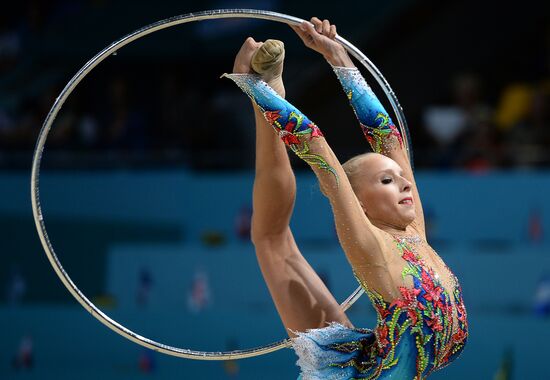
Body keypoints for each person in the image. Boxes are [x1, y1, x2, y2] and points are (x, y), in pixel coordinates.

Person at [222, 17, 468, 379]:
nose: (405, 184)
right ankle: (269, 92)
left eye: (402, 178)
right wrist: (255, 89)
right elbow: (314, 143)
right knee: (274, 241)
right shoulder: (371, 243)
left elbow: (388, 138)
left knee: (275, 243)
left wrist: (338, 56)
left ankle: (268, 93)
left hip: (374, 361)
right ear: (359, 202)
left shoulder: (414, 232)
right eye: (387, 180)